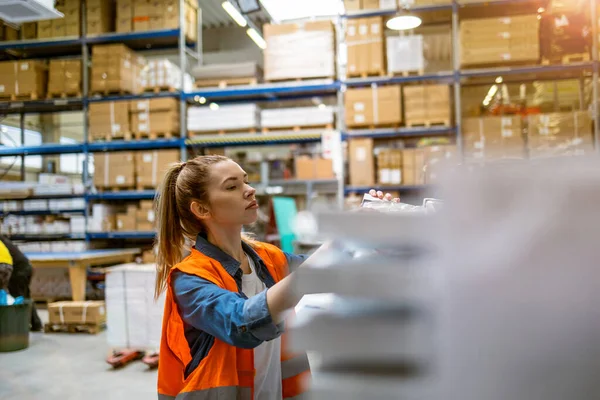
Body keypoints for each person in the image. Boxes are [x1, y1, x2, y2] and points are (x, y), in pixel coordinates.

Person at [154, 154, 396, 400]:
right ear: (201, 208)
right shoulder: (189, 280)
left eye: (246, 182)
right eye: (232, 186)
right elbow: (242, 324)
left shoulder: (269, 258)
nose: (249, 190)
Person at [0, 234, 43, 331]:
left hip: (17, 270)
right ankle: (36, 324)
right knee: (24, 297)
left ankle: (18, 327)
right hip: (24, 267)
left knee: (18, 299)